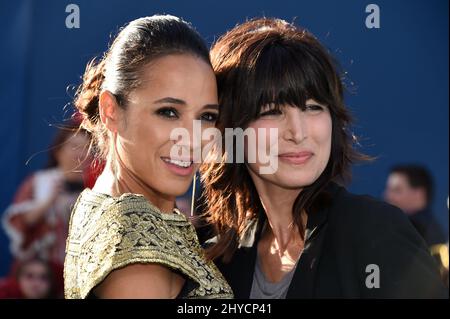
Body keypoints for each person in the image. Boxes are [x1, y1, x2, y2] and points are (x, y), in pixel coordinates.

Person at [200, 18, 448, 298]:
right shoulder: (220, 258)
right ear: (230, 127)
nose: (298, 132)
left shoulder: (375, 234)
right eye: (271, 111)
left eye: (313, 106)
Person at [63, 15, 233, 299]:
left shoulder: (105, 201)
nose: (191, 138)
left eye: (207, 116)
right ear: (111, 111)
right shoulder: (139, 263)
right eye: (168, 112)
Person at [2, 123, 90, 296]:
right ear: (58, 151)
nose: (81, 153)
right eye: (74, 146)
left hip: (79, 275)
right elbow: (20, 222)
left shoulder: (98, 188)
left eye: (87, 148)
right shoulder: (39, 182)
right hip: (41, 275)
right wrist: (49, 201)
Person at [384, 164, 447, 246]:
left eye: (397, 190)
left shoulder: (411, 230)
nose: (388, 196)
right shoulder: (434, 229)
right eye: (388, 190)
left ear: (419, 194)